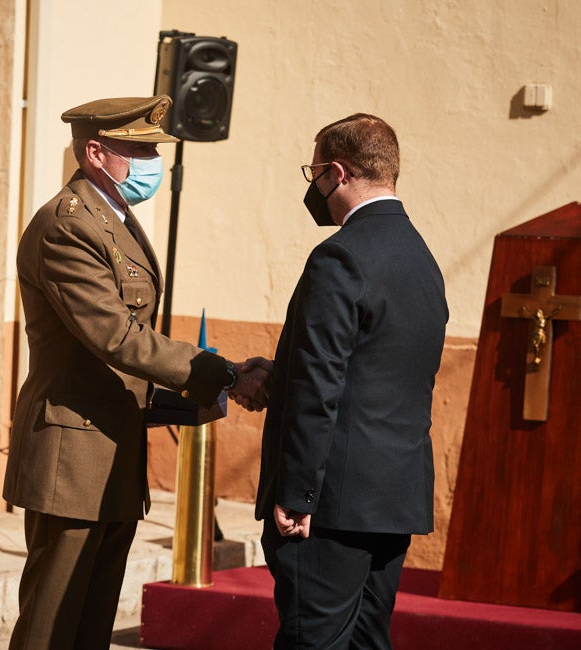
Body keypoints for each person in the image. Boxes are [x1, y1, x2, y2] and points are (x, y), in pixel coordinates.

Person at [4, 94, 271, 649]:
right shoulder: (67, 225)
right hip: (71, 454)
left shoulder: (115, 220)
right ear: (96, 152)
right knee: (53, 625)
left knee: (91, 623)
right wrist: (222, 374)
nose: (154, 162)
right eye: (141, 149)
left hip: (113, 446)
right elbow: (116, 337)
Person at [250, 113, 448, 649]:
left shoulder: (339, 255)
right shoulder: (422, 258)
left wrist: (298, 492)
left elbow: (322, 385)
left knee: (311, 641)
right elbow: (378, 369)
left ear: (337, 172)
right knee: (367, 643)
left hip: (332, 505)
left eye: (313, 172)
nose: (312, 186)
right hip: (392, 498)